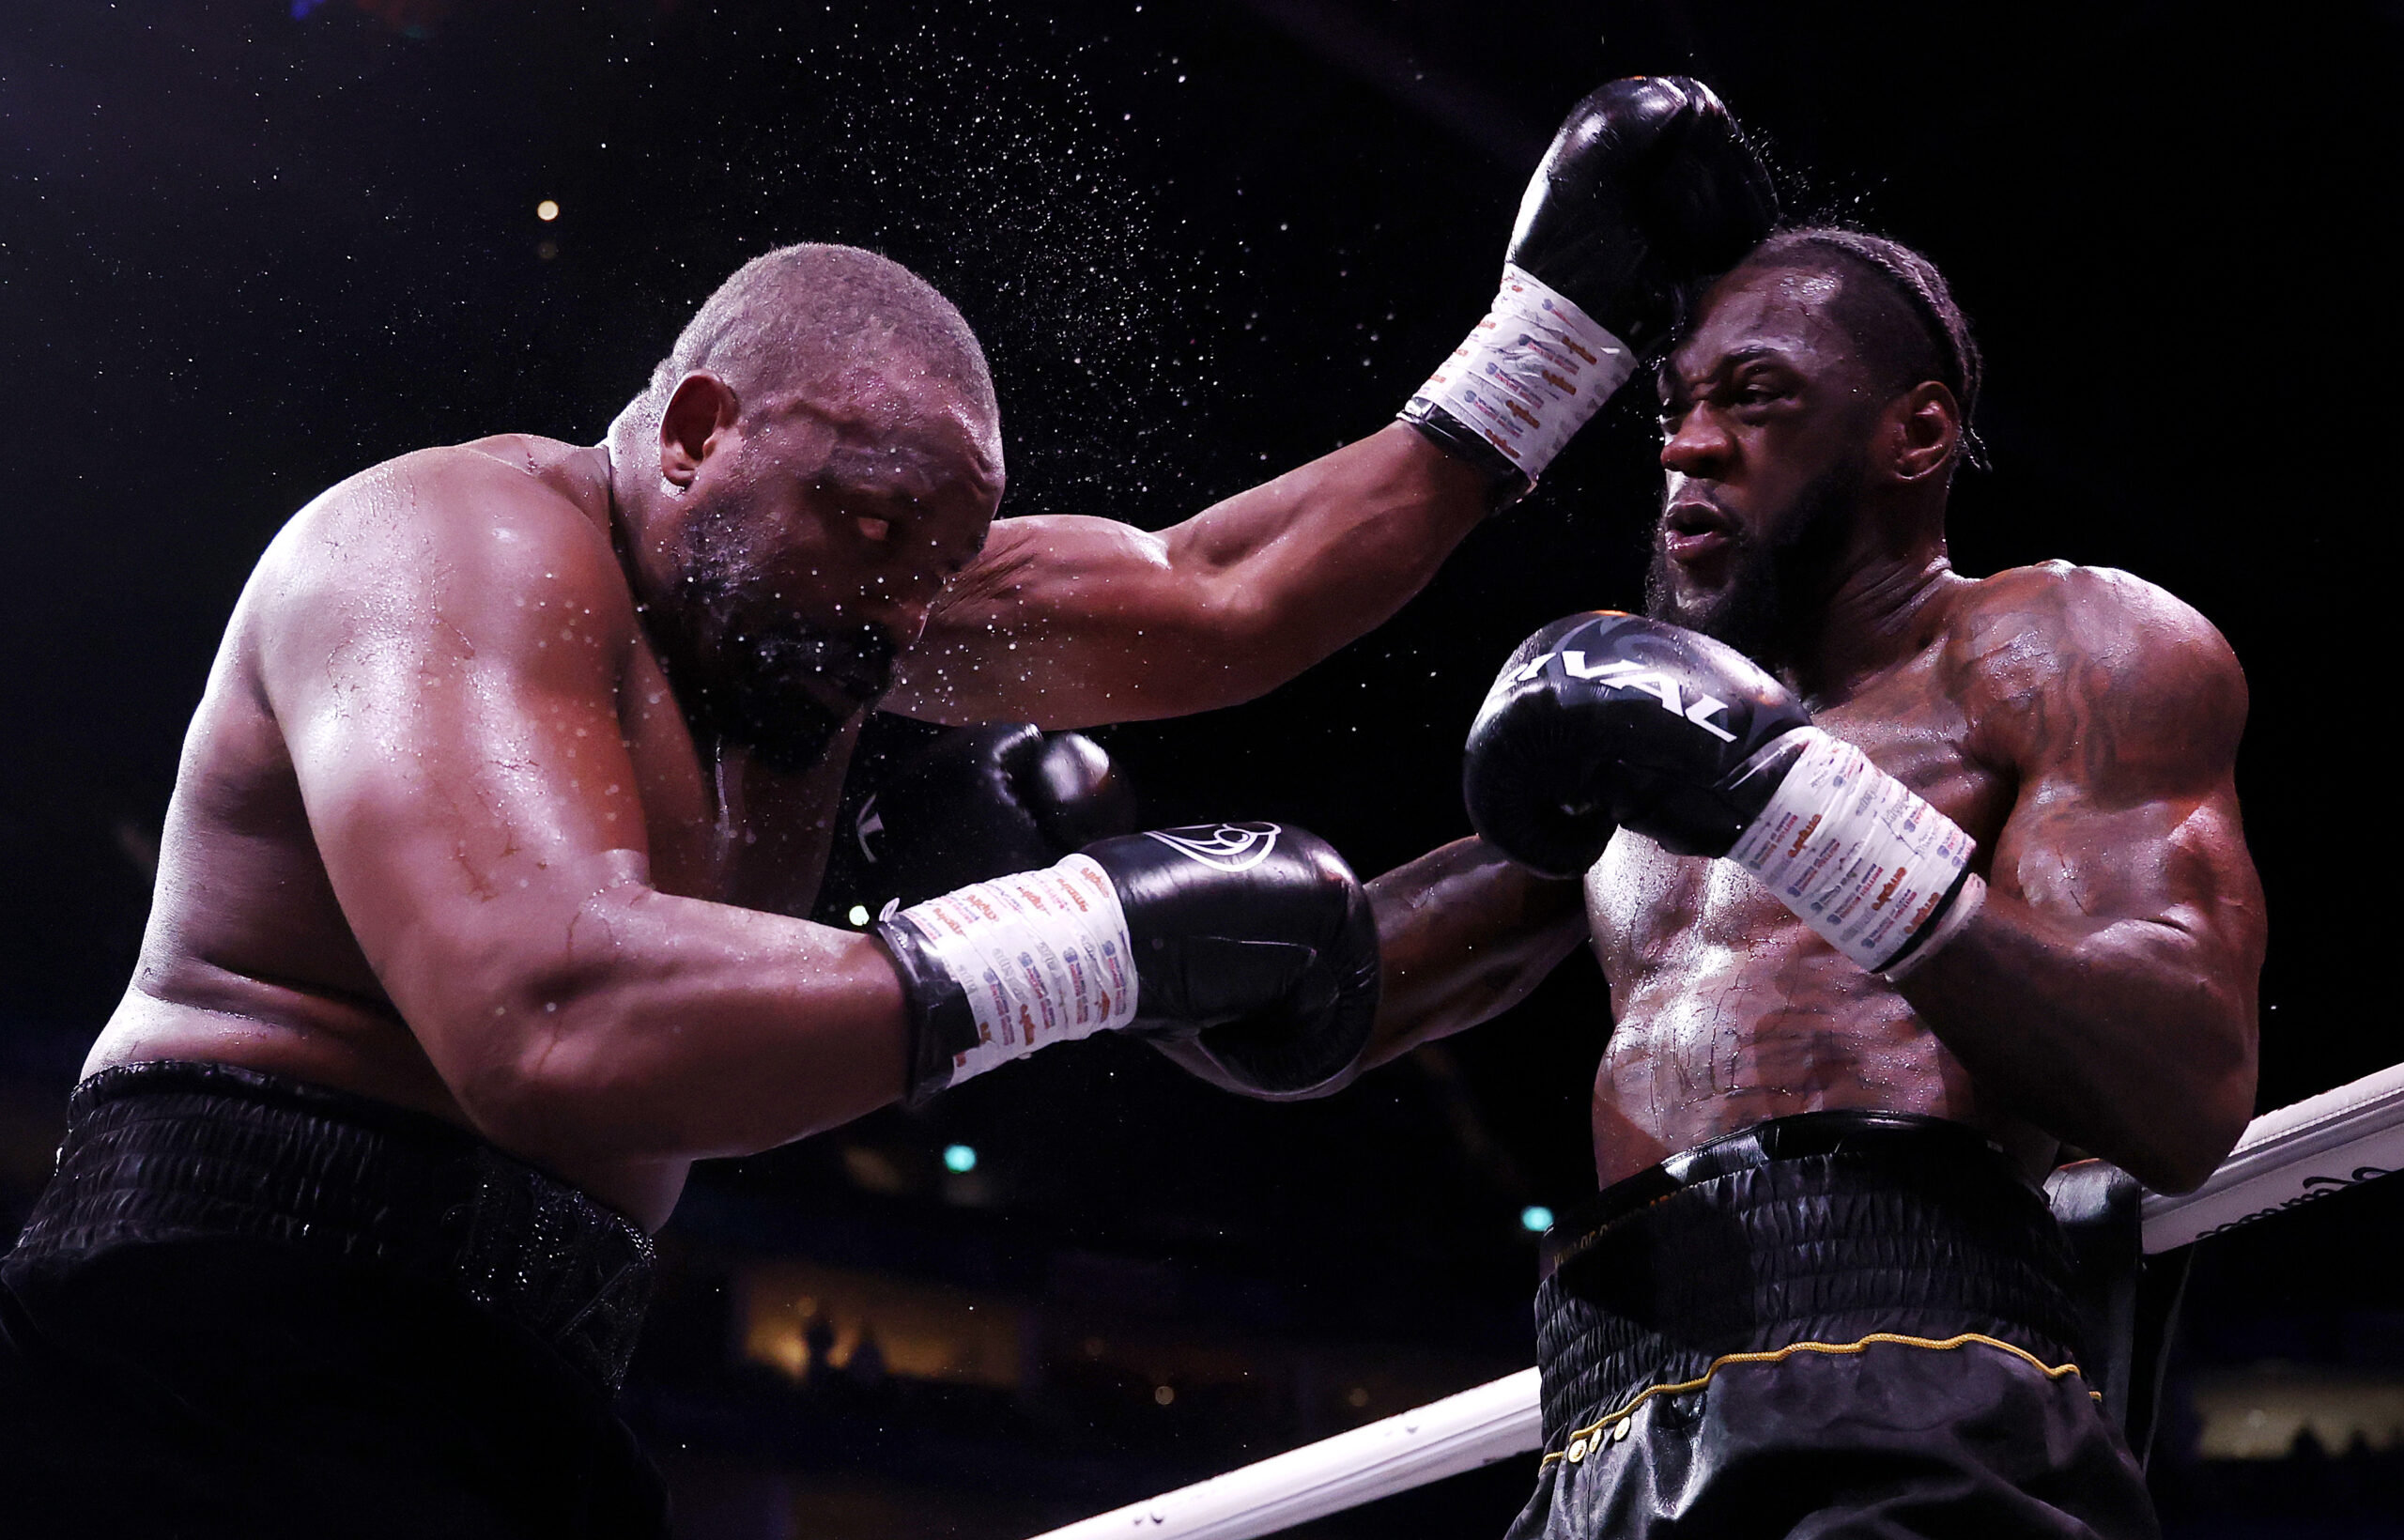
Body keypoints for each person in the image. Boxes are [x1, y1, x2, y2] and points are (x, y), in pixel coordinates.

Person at [0, 79, 1775, 1540]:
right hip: (215, 1330)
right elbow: (547, 1018)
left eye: (944, 559)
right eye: (866, 523)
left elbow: (1230, 591)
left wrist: (1553, 336)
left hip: (524, 1374)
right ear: (696, 428)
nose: (908, 609)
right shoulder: (446, 549)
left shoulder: (866, 594)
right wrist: (1092, 936)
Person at [1314, 227, 2266, 1537]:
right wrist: (1087, 929)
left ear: (1914, 437)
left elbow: (2182, 1083)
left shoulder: (2060, 645)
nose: (1687, 445)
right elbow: (1319, 1007)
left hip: (1908, 1370)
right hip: (1606, 1404)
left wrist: (1791, 804)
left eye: (1753, 398)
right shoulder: (1646, 739)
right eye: (1675, 406)